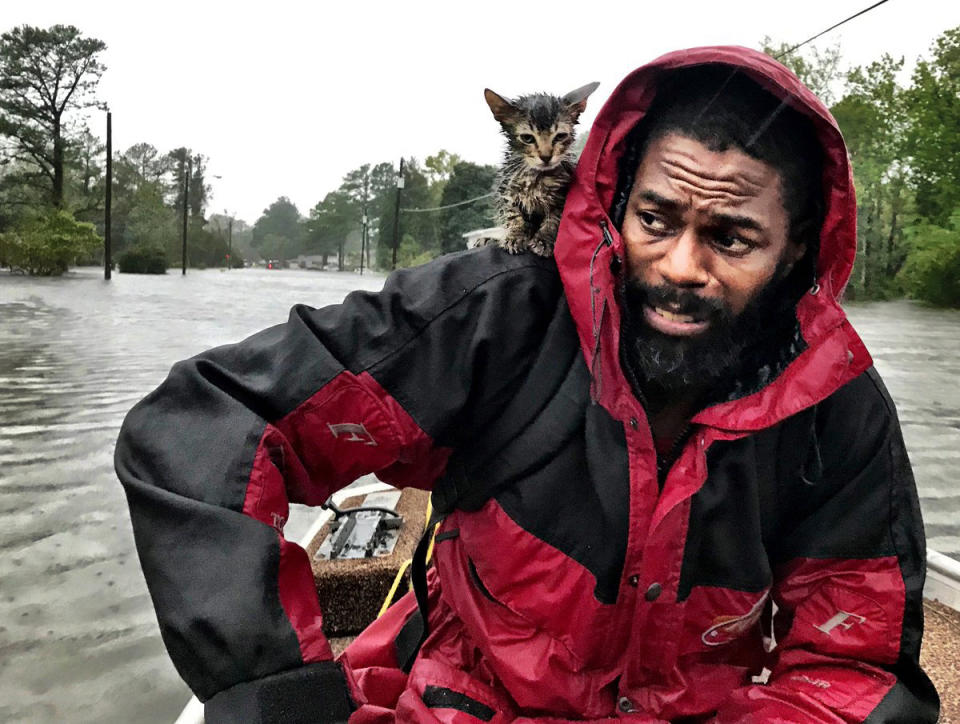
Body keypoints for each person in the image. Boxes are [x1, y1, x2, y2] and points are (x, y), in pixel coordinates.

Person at [116, 46, 940, 723]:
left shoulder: (836, 407)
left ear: (796, 251)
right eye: (655, 221)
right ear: (617, 204)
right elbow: (212, 424)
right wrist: (274, 697)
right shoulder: (497, 316)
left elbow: (854, 668)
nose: (681, 267)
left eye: (731, 238)